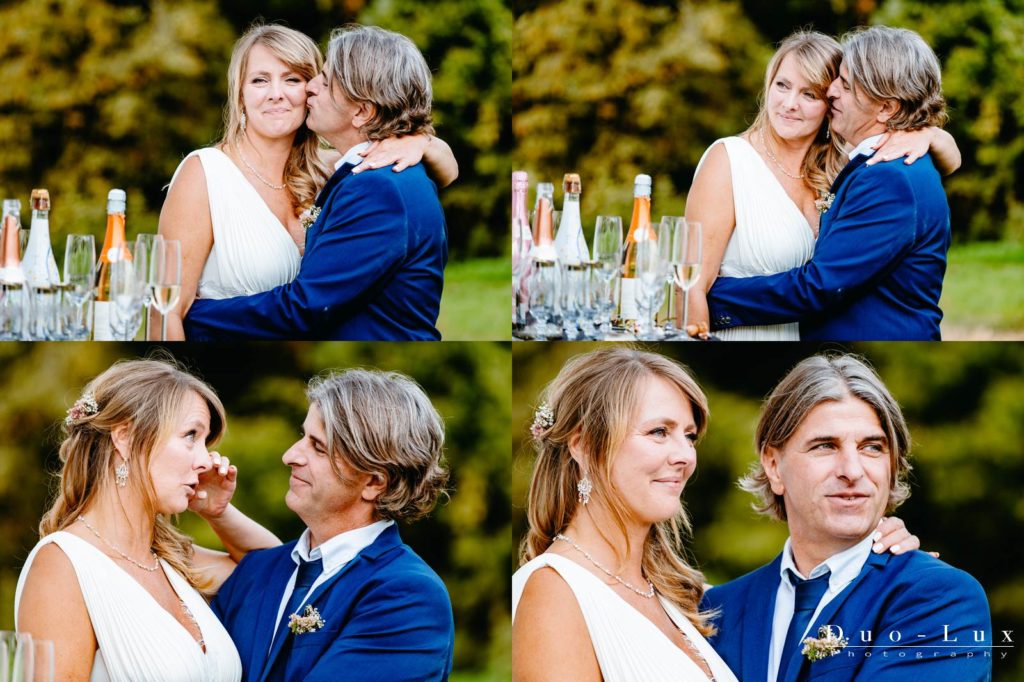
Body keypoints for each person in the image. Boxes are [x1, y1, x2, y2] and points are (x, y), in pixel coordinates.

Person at [511, 347, 922, 682]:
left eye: (688, 436)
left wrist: (874, 553)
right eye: (659, 432)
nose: (685, 456)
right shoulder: (553, 592)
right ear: (583, 446)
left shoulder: (690, 601)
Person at [702, 353, 991, 681]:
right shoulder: (716, 612)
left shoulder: (941, 599)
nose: (852, 471)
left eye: (872, 447)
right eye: (825, 446)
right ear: (773, 465)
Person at [159, 23, 458, 341]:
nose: (277, 93)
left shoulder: (343, 171)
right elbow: (165, 311)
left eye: (294, 79)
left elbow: (447, 171)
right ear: (240, 94)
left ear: (360, 111)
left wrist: (420, 141)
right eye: (260, 80)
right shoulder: (205, 173)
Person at [15, 358, 281, 681]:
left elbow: (274, 572)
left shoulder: (172, 563)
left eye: (204, 441)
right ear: (124, 437)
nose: (205, 460)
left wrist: (219, 513)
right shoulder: (62, 565)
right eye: (190, 436)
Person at [687, 29, 960, 340]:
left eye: (812, 93)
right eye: (782, 85)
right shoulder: (731, 160)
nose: (832, 92)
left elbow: (820, 285)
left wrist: (931, 134)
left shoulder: (872, 171)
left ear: (887, 108)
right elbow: (690, 286)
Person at [212, 368, 454, 681]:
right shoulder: (258, 569)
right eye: (303, 437)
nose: (290, 456)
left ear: (373, 482)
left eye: (318, 447)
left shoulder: (409, 596)